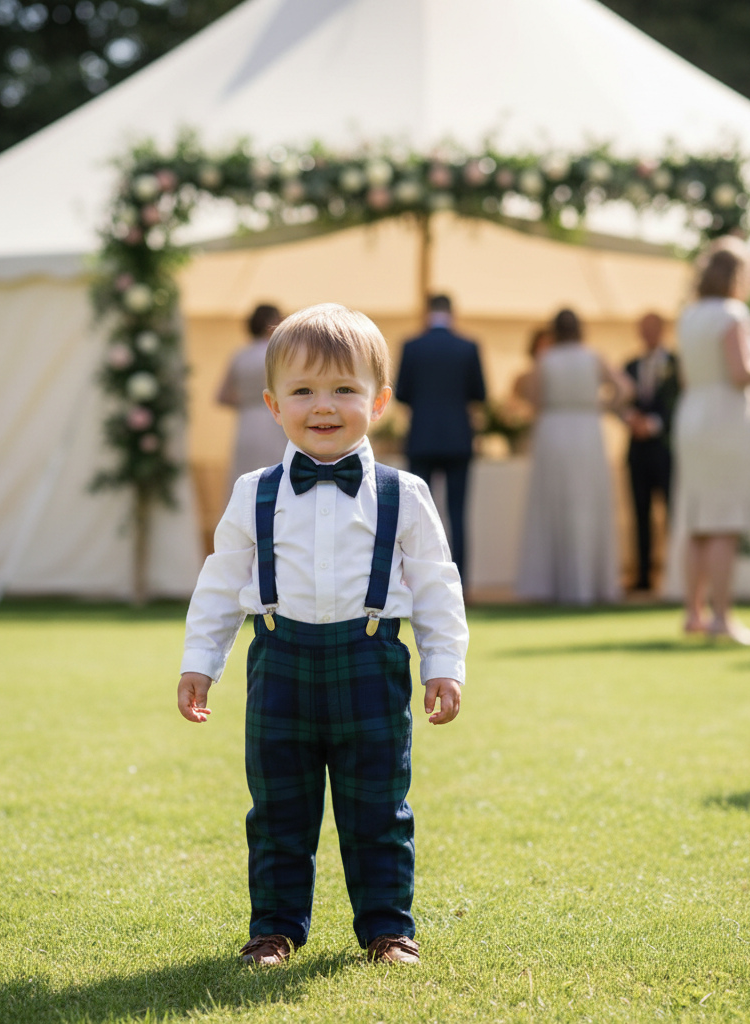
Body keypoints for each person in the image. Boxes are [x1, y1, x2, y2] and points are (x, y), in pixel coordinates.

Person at [177, 304, 468, 967]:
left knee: (378, 810)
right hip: (279, 665)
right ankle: (273, 931)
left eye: (344, 389)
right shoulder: (254, 492)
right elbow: (220, 584)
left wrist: (443, 664)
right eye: (303, 391)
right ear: (273, 405)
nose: (324, 405)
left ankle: (389, 931)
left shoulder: (405, 493)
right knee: (278, 810)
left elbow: (435, 585)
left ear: (381, 401)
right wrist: (201, 660)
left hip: (371, 663)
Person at [673, 239, 750, 643]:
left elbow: (687, 377)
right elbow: (741, 373)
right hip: (725, 419)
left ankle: (694, 613)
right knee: (723, 521)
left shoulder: (688, 316)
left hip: (692, 416)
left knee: (699, 518)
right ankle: (722, 617)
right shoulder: (732, 313)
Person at [516, 309, 632, 604]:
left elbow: (536, 399)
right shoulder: (593, 356)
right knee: (588, 503)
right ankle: (592, 583)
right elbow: (624, 388)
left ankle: (552, 584)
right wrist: (601, 406)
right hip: (587, 432)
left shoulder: (546, 359)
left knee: (552, 504)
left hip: (553, 431)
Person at [396, 294, 487, 585]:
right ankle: (460, 585)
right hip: (458, 438)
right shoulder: (468, 346)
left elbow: (400, 393)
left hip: (421, 437)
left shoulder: (411, 346)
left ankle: (419, 582)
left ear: (426, 312)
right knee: (458, 514)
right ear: (452, 312)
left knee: (416, 515)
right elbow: (480, 393)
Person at [622, 313, 681, 592]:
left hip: (666, 451)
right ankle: (643, 576)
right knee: (640, 514)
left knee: (672, 511)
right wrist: (631, 419)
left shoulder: (676, 365)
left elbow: (678, 404)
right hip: (637, 452)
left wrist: (654, 424)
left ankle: (675, 574)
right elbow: (620, 401)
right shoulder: (630, 365)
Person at [217, 304, 288, 492]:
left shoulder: (240, 355)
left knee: (246, 475)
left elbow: (222, 396)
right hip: (275, 419)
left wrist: (248, 401)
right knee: (276, 472)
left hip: (247, 421)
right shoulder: (279, 354)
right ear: (271, 323)